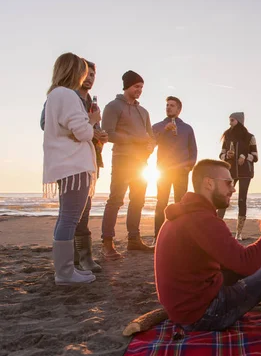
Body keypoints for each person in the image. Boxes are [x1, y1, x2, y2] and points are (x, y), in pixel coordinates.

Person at [154, 159, 261, 331]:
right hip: (205, 315)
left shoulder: (186, 214)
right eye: (228, 183)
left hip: (186, 307)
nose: (233, 188)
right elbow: (246, 264)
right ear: (209, 183)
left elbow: (236, 259)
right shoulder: (203, 220)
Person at [41, 59, 106, 272]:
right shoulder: (67, 95)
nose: (89, 78)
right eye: (86, 74)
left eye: (92, 75)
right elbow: (48, 124)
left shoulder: (87, 101)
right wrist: (88, 127)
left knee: (80, 212)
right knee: (72, 214)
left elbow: (90, 131)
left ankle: (79, 260)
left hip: (89, 159)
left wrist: (99, 134)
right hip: (72, 161)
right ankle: (71, 264)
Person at [100, 70, 155, 259]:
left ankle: (134, 240)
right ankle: (107, 243)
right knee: (115, 200)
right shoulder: (113, 106)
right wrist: (134, 139)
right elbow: (107, 134)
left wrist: (149, 147)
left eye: (141, 87)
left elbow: (151, 138)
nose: (139, 90)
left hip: (141, 163)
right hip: (122, 160)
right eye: (136, 87)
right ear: (127, 87)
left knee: (138, 200)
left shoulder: (143, 111)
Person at [153, 96, 197, 238]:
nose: (168, 107)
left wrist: (188, 167)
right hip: (163, 171)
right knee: (161, 203)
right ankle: (158, 237)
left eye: (172, 105)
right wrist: (165, 131)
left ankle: (179, 236)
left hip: (181, 172)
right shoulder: (157, 126)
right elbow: (151, 144)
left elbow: (193, 150)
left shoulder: (187, 128)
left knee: (180, 204)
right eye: (167, 105)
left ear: (179, 109)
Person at [217, 112, 258, 240]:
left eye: (232, 120)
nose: (230, 123)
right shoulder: (227, 136)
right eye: (229, 120)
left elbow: (256, 156)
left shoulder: (249, 137)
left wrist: (245, 157)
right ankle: (217, 227)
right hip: (230, 172)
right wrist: (226, 156)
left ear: (239, 121)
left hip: (245, 172)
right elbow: (221, 155)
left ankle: (238, 233)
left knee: (242, 199)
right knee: (224, 197)